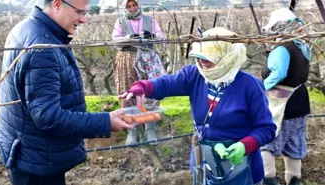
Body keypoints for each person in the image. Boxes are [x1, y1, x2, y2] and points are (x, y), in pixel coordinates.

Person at [0, 1, 133, 185]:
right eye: (79, 12)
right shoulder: (43, 48)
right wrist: (105, 121)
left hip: (26, 148)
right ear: (58, 4)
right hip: (36, 161)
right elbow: (48, 116)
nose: (83, 19)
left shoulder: (26, 28)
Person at [119, 27, 276, 185]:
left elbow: (266, 128)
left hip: (241, 168)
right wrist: (142, 87)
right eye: (200, 56)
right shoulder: (195, 76)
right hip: (205, 165)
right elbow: (167, 83)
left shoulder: (250, 86)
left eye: (208, 57)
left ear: (227, 56)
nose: (202, 61)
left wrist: (244, 145)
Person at [260, 8, 311, 185]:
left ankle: (269, 179)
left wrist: (260, 87)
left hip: (281, 102)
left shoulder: (282, 48)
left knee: (267, 140)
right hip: (300, 100)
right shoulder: (302, 46)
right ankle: (293, 181)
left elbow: (279, 73)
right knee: (294, 143)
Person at [112, 0, 166, 145]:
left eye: (134, 5)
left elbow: (162, 37)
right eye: (128, 6)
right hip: (127, 58)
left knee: (150, 90)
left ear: (138, 5)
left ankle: (150, 129)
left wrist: (151, 35)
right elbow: (115, 41)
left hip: (148, 58)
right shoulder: (120, 21)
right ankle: (132, 131)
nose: (132, 8)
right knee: (127, 92)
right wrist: (128, 38)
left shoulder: (149, 19)